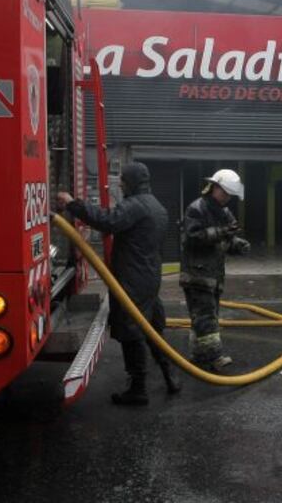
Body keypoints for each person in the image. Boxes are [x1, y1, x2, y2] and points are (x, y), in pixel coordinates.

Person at [56, 161, 180, 406]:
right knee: (152, 329)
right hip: (148, 276)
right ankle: (170, 374)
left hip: (132, 279)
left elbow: (108, 220)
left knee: (132, 331)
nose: (120, 184)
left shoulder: (135, 206)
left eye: (123, 180)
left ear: (132, 182)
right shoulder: (156, 205)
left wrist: (73, 204)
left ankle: (138, 389)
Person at [180, 168, 250, 371]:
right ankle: (214, 356)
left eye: (230, 194)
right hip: (196, 275)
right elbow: (193, 238)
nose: (227, 198)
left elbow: (224, 242)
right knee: (206, 317)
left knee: (204, 318)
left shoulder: (224, 212)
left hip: (214, 276)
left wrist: (237, 244)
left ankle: (199, 355)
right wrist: (221, 232)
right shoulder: (197, 209)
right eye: (225, 192)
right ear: (214, 187)